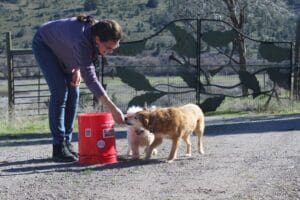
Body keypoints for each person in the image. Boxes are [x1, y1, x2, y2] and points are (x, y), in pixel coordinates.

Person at [32, 15, 125, 162]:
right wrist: (113, 109)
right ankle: (58, 146)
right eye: (108, 48)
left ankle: (67, 143)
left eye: (113, 48)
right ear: (98, 39)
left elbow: (78, 54)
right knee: (60, 91)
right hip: (45, 44)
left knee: (73, 91)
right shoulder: (82, 38)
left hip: (64, 48)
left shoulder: (95, 32)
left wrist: (77, 69)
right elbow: (91, 79)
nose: (110, 51)